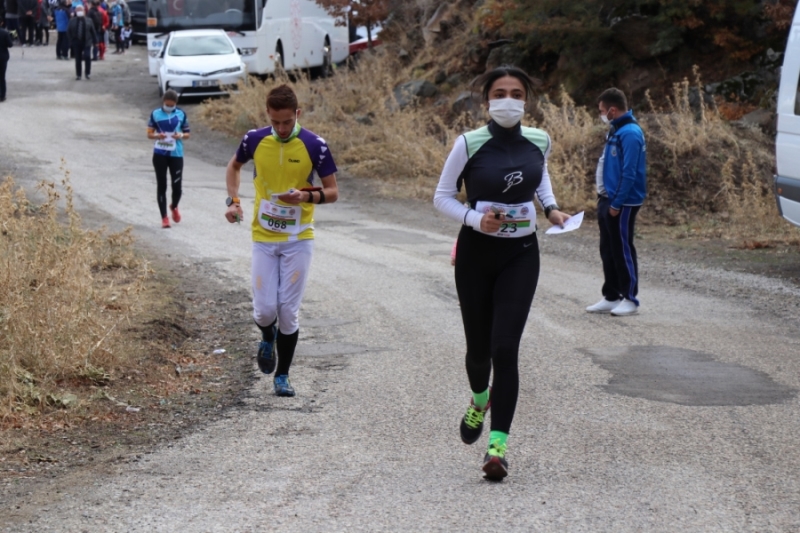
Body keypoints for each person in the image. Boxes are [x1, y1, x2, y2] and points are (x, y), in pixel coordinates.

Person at [433, 65, 570, 481]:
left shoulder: (540, 139)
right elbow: (441, 198)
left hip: (521, 255)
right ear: (487, 101)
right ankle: (479, 400)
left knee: (504, 349)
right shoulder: (468, 143)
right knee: (479, 352)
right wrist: (475, 220)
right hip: (476, 255)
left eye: (515, 92)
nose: (508, 99)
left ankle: (498, 448)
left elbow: (539, 177)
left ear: (525, 100)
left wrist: (551, 208)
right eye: (499, 92)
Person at [224, 84, 339, 398]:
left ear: (297, 114)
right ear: (268, 116)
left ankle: (283, 375)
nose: (282, 128)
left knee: (288, 310)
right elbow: (234, 166)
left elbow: (333, 191)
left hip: (298, 238)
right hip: (263, 236)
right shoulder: (255, 139)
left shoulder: (315, 145)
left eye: (287, 122)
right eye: (276, 122)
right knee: (264, 311)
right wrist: (233, 202)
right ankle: (267, 335)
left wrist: (305, 195)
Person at [585, 88, 647, 317]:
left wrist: (617, 203)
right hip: (607, 198)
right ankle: (611, 295)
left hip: (622, 202)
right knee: (608, 249)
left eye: (602, 111)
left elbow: (630, 172)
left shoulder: (630, 133)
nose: (601, 115)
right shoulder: (615, 129)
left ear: (612, 109)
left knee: (622, 248)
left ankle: (630, 298)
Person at [146, 90, 190, 228]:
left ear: (176, 104)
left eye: (171, 105)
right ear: (163, 102)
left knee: (177, 187)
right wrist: (157, 136)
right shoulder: (155, 114)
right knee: (162, 185)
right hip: (160, 153)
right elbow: (149, 133)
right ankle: (164, 218)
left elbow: (188, 133)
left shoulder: (181, 114)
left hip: (176, 154)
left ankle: (174, 206)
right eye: (166, 105)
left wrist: (181, 135)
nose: (169, 107)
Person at [67, 3, 96, 79]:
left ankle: (87, 73)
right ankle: (78, 75)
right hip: (76, 42)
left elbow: (93, 31)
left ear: (84, 11)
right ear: (75, 11)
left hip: (86, 41)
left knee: (87, 56)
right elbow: (68, 32)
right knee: (78, 58)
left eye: (81, 10)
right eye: (78, 10)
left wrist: (96, 42)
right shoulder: (72, 21)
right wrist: (71, 42)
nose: (79, 11)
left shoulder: (89, 20)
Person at [0, 23, 13, 102]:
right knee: (2, 77)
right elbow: (10, 45)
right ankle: (2, 95)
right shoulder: (4, 32)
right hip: (2, 57)